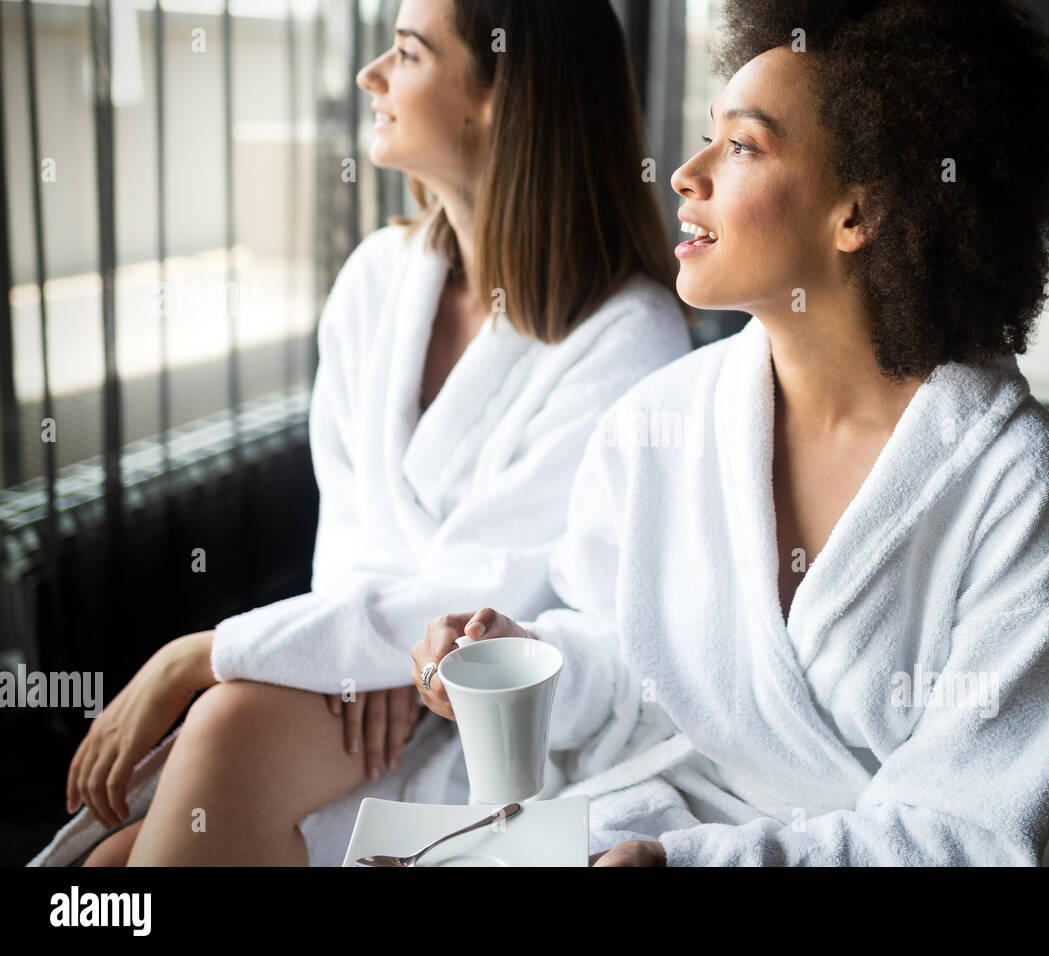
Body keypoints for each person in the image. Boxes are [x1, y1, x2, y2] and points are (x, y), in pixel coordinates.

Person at [411, 0, 1049, 866]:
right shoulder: (659, 421)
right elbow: (629, 665)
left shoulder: (1010, 483)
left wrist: (699, 863)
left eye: (741, 146)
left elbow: (966, 829)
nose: (686, 175)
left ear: (860, 212)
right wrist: (531, 656)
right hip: (624, 828)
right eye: (709, 137)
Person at [32, 0, 690, 867]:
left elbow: (507, 584)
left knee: (213, 737)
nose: (368, 75)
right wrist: (358, 656)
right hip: (355, 691)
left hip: (498, 731)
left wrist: (201, 654)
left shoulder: (627, 339)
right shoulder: (378, 280)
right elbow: (347, 520)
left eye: (408, 53)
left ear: (498, 98)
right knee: (104, 871)